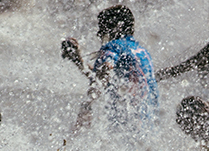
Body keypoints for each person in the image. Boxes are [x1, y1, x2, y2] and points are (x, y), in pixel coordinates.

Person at [61, 5, 159, 133]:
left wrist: (87, 104)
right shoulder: (142, 52)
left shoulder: (113, 48)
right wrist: (79, 62)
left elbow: (105, 72)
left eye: (102, 28)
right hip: (148, 128)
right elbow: (108, 76)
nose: (99, 34)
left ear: (116, 27)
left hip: (125, 127)